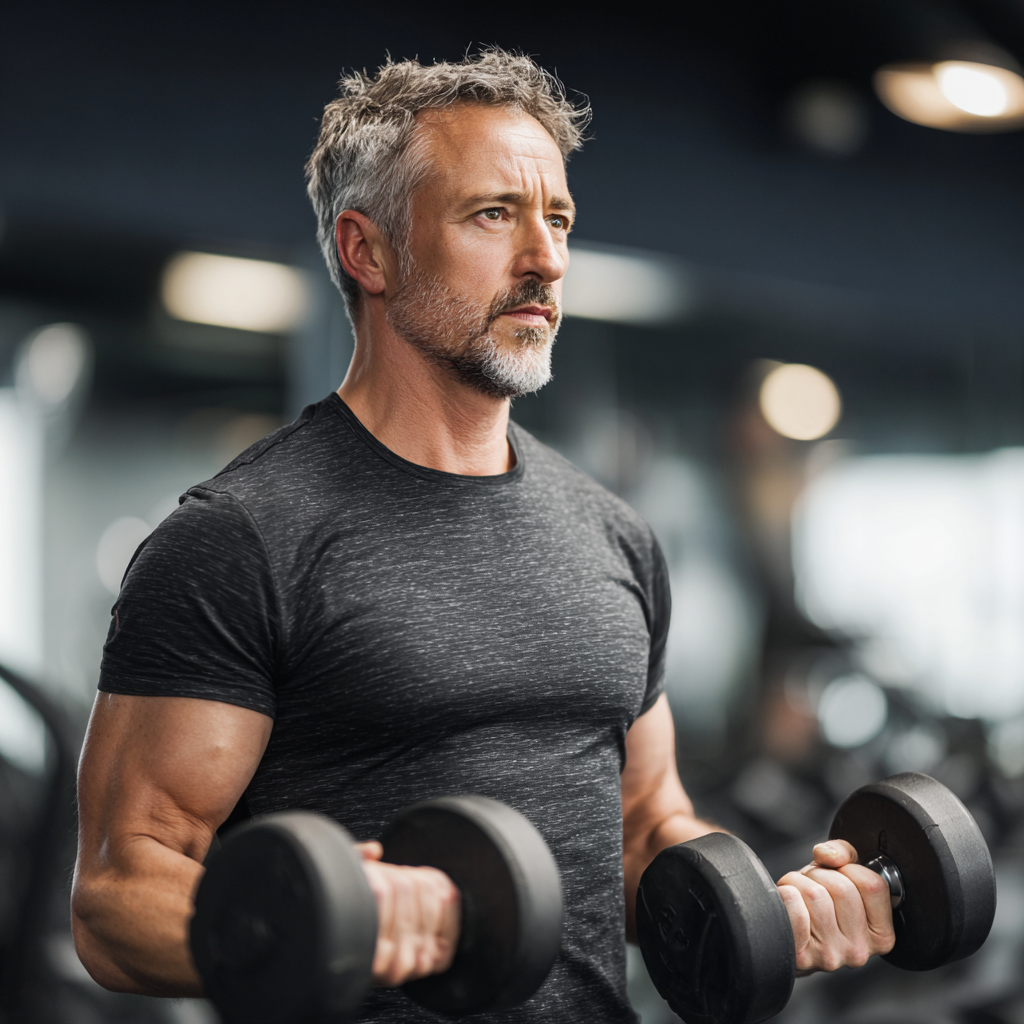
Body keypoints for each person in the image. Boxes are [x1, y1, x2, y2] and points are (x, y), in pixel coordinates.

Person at [71, 49, 895, 1023]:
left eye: (558, 219)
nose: (545, 258)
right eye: (493, 214)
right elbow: (120, 894)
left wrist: (769, 908)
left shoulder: (611, 536)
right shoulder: (240, 540)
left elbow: (642, 832)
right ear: (366, 252)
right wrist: (330, 924)